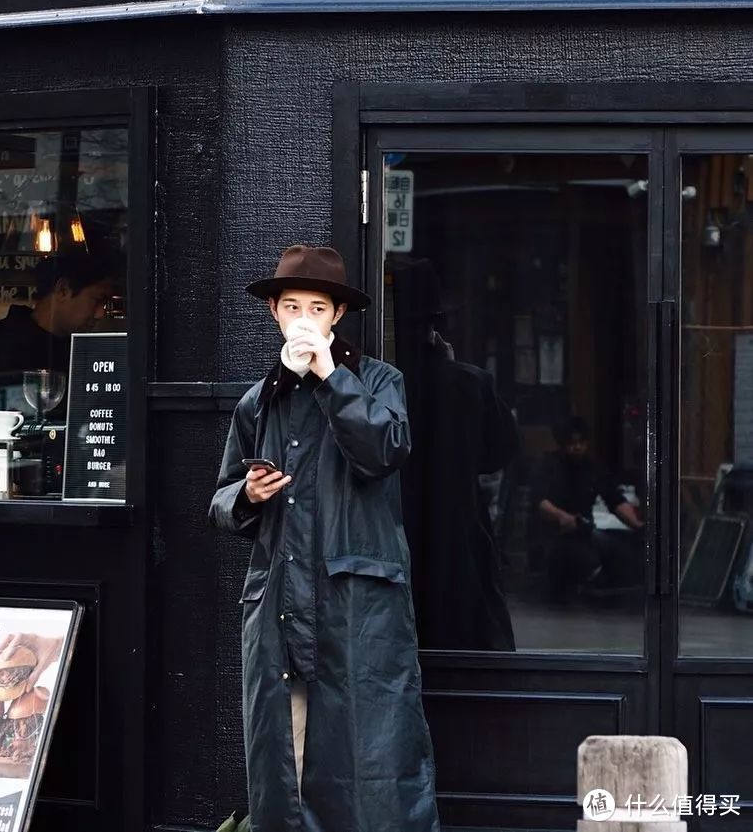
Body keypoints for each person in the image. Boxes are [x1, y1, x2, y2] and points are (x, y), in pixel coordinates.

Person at [209, 245, 440, 832]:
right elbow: (221, 498)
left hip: (356, 606)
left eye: (318, 307)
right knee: (288, 750)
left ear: (336, 316)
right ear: (275, 315)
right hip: (282, 602)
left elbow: (383, 452)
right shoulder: (259, 400)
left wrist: (330, 375)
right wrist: (249, 496)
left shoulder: (380, 380)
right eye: (292, 307)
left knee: (369, 756)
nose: (305, 318)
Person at [389, 257, 519, 651]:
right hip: (458, 524)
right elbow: (499, 453)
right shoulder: (469, 382)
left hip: (393, 524)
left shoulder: (378, 384)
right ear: (434, 326)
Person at [0, 250, 117, 414]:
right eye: (97, 300)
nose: (101, 313)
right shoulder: (9, 348)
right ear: (63, 290)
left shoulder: (84, 351)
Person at [532, 416, 644, 602]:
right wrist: (562, 517)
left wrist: (637, 525)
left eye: (581, 442)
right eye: (572, 443)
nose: (577, 447)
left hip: (584, 531)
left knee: (621, 550)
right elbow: (540, 502)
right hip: (554, 534)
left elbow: (615, 500)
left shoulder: (592, 468)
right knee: (580, 556)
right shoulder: (549, 466)